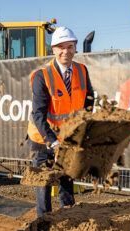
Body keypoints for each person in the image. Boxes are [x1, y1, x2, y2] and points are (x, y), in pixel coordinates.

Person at [27, 26, 94, 218]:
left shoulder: (82, 70)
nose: (66, 51)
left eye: (70, 46)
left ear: (75, 48)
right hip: (42, 138)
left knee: (67, 179)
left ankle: (68, 220)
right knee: (44, 184)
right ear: (54, 49)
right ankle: (44, 224)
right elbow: (38, 114)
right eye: (61, 47)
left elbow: (89, 100)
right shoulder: (42, 75)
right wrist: (53, 142)